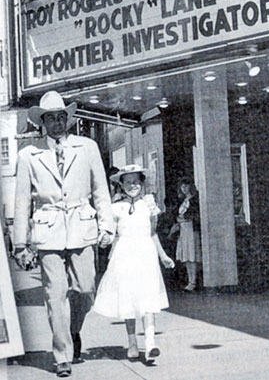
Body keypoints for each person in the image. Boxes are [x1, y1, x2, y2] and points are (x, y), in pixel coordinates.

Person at [13, 91, 115, 378]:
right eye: (51, 119)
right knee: (55, 295)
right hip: (48, 233)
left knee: (86, 289)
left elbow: (100, 191)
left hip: (83, 227)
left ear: (68, 120)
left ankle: (73, 330)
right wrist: (20, 243)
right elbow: (22, 202)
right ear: (42, 123)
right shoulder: (28, 155)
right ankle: (62, 356)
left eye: (62, 117)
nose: (57, 123)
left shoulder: (88, 147)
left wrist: (107, 226)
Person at [93, 164, 174, 363]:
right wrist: (104, 238)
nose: (133, 185)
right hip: (125, 255)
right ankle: (131, 342)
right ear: (121, 185)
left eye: (136, 182)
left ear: (142, 183)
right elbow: (110, 233)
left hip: (145, 254)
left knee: (148, 297)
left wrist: (163, 256)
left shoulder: (149, 206)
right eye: (128, 182)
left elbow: (152, 233)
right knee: (129, 299)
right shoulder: (116, 208)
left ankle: (150, 342)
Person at [170, 176, 201, 292]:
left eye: (186, 185)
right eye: (182, 186)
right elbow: (177, 216)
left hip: (191, 230)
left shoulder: (194, 200)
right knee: (186, 257)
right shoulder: (182, 201)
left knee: (192, 256)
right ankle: (190, 281)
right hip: (184, 230)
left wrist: (183, 218)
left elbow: (193, 215)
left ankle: (194, 281)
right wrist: (180, 219)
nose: (184, 188)